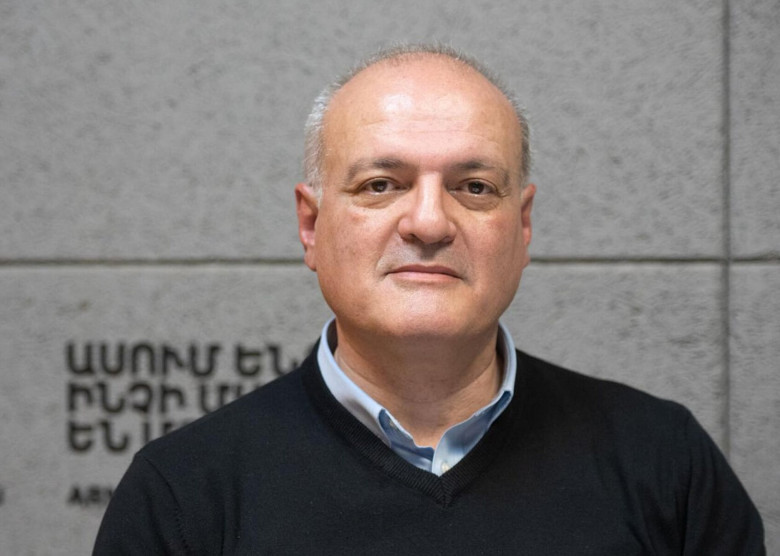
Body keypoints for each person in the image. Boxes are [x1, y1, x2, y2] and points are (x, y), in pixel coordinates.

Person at [94, 44, 765, 555]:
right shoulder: (184, 495)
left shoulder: (664, 464)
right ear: (312, 226)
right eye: (381, 185)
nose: (429, 223)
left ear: (522, 226)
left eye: (474, 188)